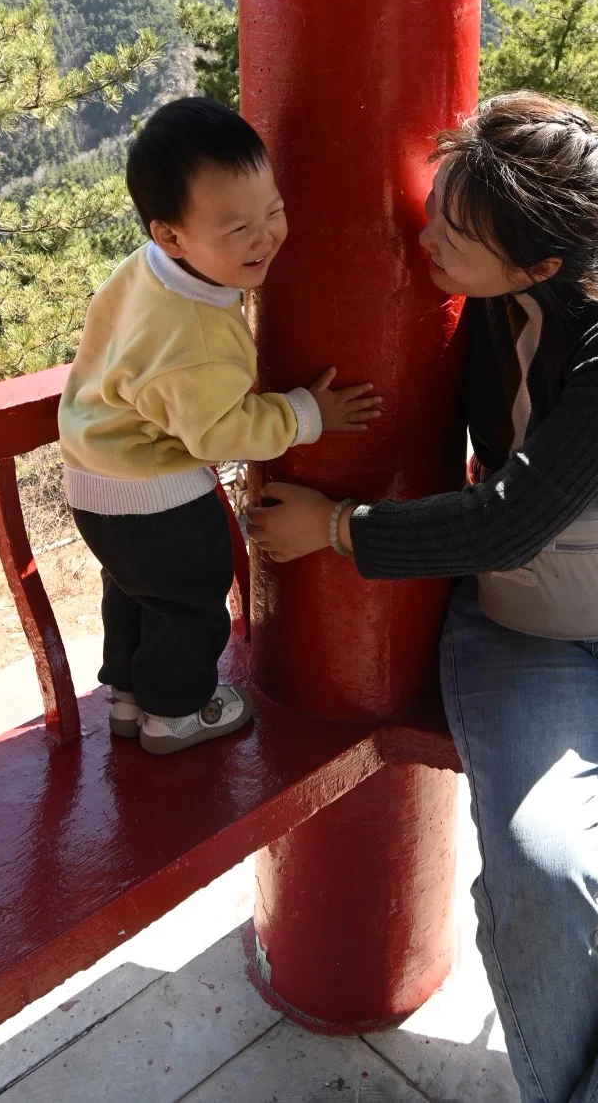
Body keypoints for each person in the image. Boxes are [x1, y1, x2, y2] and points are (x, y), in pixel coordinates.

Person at [248, 93, 598, 1103]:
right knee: (541, 879)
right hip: (520, 623)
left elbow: (509, 517)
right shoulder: (476, 298)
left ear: (540, 264)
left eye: (455, 231)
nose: (427, 236)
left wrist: (335, 529)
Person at [58, 97, 380, 755]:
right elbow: (220, 433)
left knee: (136, 590)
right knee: (191, 603)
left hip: (93, 478)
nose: (266, 237)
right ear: (171, 235)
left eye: (275, 211)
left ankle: (127, 695)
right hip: (155, 497)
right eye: (238, 230)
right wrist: (306, 413)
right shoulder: (197, 338)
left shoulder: (148, 272)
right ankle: (176, 714)